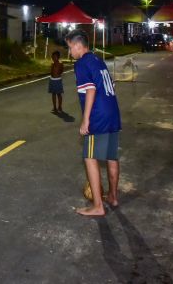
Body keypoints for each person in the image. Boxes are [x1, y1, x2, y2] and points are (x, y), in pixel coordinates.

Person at [66, 29, 121, 217]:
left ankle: (98, 206)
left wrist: (86, 119)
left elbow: (90, 90)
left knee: (90, 157)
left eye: (70, 48)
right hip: (112, 112)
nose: (70, 52)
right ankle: (113, 197)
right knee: (111, 156)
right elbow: (111, 85)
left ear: (77, 45)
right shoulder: (98, 60)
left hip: (98, 115)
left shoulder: (81, 63)